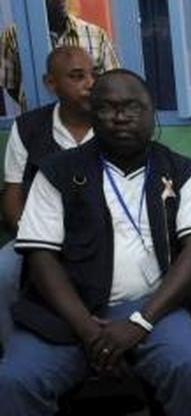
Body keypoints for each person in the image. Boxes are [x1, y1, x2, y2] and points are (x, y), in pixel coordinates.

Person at [0, 69, 191, 416]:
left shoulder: (184, 172)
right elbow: (41, 259)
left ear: (152, 112)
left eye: (133, 107)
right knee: (13, 383)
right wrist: (90, 332)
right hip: (68, 311)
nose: (120, 117)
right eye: (107, 107)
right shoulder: (56, 172)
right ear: (92, 113)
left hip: (155, 307)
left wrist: (140, 322)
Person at [1, 46, 95, 345]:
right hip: (38, 235)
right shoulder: (28, 128)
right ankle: (13, 349)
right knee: (3, 272)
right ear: (50, 83)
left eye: (95, 74)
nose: (91, 83)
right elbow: (13, 196)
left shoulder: (112, 123)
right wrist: (35, 242)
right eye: (77, 76)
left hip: (101, 236)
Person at [0, 0, 119, 110]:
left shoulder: (95, 34)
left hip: (88, 121)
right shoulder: (14, 35)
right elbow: (11, 85)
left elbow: (112, 81)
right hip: (37, 120)